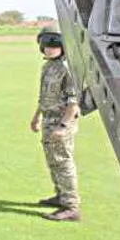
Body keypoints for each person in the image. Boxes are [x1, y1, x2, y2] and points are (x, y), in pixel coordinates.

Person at [31, 26, 81, 221]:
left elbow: (73, 101)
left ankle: (71, 206)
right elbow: (44, 96)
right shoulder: (48, 66)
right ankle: (61, 195)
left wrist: (63, 126)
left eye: (54, 45)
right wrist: (36, 116)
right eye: (46, 45)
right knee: (53, 160)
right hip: (48, 119)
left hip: (61, 121)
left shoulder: (66, 69)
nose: (50, 49)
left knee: (63, 162)